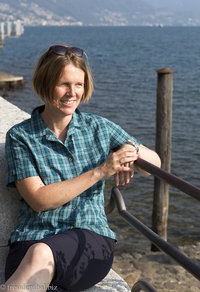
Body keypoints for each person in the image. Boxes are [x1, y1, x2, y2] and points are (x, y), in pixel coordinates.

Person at [3, 44, 161, 292]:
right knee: (38, 254)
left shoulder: (99, 128)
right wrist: (102, 170)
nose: (72, 93)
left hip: (87, 241)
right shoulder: (21, 137)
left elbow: (153, 165)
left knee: (41, 254)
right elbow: (39, 200)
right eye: (64, 84)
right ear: (46, 84)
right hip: (30, 241)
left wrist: (129, 151)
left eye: (79, 84)